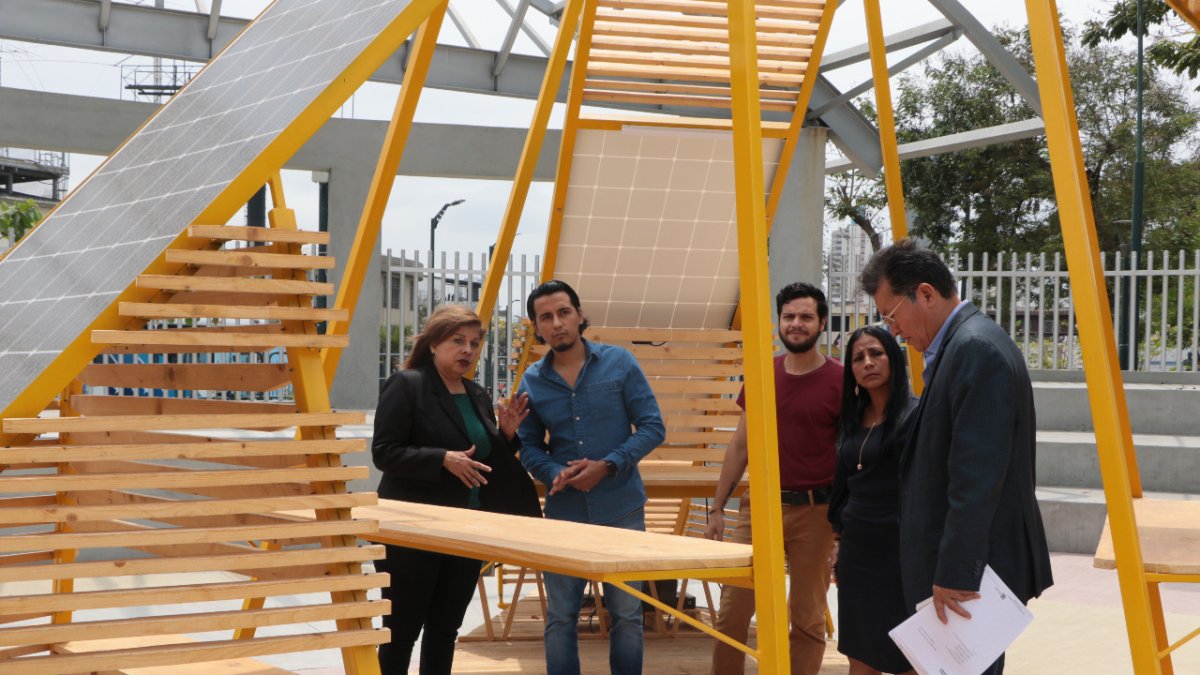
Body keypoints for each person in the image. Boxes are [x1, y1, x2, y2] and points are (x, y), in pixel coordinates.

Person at [860, 239, 1053, 675]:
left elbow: (977, 477)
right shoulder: (961, 346)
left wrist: (956, 573)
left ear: (925, 294)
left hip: (971, 580)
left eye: (892, 315)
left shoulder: (975, 350)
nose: (893, 331)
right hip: (965, 572)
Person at [371, 305, 542, 674]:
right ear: (434, 343)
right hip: (413, 528)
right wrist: (441, 459)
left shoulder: (476, 394)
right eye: (458, 341)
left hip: (466, 528)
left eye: (474, 343)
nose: (467, 350)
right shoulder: (407, 385)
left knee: (445, 629)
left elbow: (482, 459)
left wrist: (505, 436)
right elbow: (384, 453)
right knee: (401, 630)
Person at [516, 279, 665, 675]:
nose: (557, 323)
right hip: (564, 514)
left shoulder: (620, 363)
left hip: (622, 508)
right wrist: (554, 472)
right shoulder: (532, 380)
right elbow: (528, 445)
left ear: (580, 315)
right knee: (561, 617)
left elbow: (653, 427)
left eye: (564, 312)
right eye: (546, 317)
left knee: (628, 615)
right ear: (537, 327)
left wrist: (608, 465)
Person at [706, 282, 843, 675]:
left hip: (817, 512)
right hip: (759, 508)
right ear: (779, 321)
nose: (796, 323)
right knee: (731, 615)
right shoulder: (763, 373)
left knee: (806, 618)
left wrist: (842, 531)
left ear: (821, 323)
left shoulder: (840, 380)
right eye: (789, 316)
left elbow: (850, 455)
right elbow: (740, 445)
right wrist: (717, 507)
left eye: (806, 317)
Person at [827, 326, 917, 675]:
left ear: (893, 358)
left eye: (876, 353)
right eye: (858, 358)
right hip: (858, 555)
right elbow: (843, 486)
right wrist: (838, 541)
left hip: (901, 554)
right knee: (861, 654)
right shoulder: (852, 420)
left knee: (910, 655)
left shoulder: (915, 416)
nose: (868, 362)